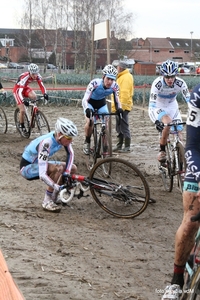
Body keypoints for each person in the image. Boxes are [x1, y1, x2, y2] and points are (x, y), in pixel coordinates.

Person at [161, 83, 200, 299]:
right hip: (199, 161)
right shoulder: (199, 95)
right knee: (191, 222)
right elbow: (192, 147)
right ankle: (176, 281)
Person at [20, 117, 78, 213]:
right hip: (27, 168)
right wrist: (55, 186)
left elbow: (70, 154)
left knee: (72, 168)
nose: (71, 141)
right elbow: (42, 174)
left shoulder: (61, 138)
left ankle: (54, 197)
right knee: (58, 168)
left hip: (38, 163)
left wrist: (67, 173)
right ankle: (47, 200)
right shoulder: (46, 143)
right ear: (59, 134)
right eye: (68, 138)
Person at [148, 59, 190, 162]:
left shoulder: (180, 83)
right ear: (163, 75)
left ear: (176, 75)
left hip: (172, 106)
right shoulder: (157, 84)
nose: (170, 79)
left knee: (179, 133)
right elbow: (151, 106)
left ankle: (181, 164)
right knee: (168, 122)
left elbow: (189, 99)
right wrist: (156, 121)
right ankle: (162, 151)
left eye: (172, 76)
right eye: (167, 77)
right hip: (159, 106)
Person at [82, 64, 123, 155]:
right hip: (90, 103)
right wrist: (88, 109)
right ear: (103, 77)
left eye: (112, 79)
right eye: (108, 78)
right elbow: (85, 99)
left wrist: (119, 109)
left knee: (106, 123)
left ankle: (104, 146)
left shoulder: (115, 86)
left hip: (101, 104)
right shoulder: (95, 83)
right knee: (90, 121)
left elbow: (117, 100)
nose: (109, 82)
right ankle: (87, 142)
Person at [13, 63, 49, 135]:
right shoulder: (24, 77)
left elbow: (42, 86)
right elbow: (20, 92)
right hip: (18, 90)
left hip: (25, 88)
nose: (35, 76)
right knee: (22, 110)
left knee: (34, 96)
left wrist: (45, 93)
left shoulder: (37, 76)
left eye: (36, 73)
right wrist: (23, 100)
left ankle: (34, 113)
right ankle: (22, 126)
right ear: (30, 72)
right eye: (33, 74)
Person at [112, 61, 134, 152]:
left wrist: (121, 107)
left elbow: (124, 93)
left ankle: (127, 146)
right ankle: (119, 145)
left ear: (120, 68)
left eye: (117, 67)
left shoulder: (125, 77)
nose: (116, 69)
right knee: (119, 126)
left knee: (124, 126)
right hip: (119, 107)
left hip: (122, 107)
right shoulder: (121, 77)